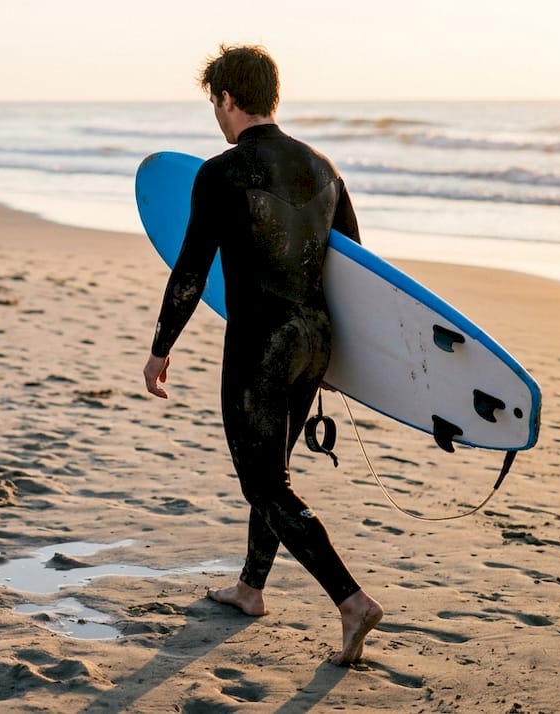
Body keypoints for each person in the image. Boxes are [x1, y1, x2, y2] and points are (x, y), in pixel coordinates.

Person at [141, 45, 383, 666]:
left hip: (260, 342)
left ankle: (351, 601)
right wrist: (341, 361)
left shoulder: (224, 172)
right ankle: (251, 588)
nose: (215, 118)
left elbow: (190, 269)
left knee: (265, 482)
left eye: (213, 104)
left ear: (226, 99)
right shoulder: (323, 168)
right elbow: (356, 268)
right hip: (313, 341)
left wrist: (160, 347)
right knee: (274, 470)